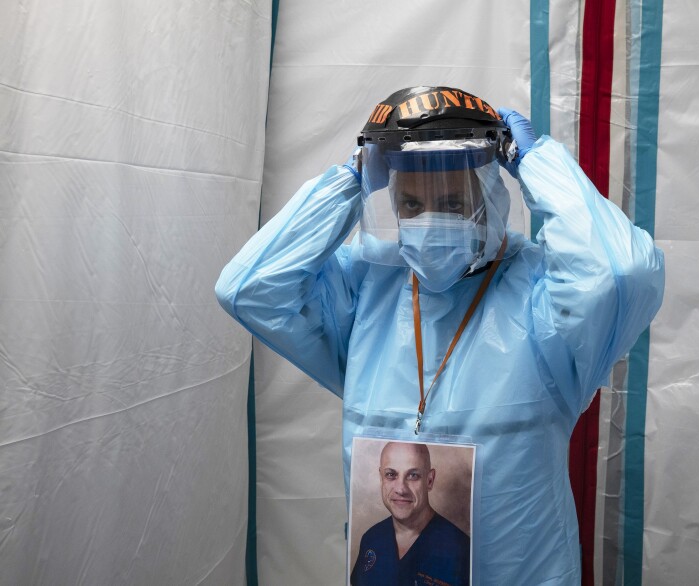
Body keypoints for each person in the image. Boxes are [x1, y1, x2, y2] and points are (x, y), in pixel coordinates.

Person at [215, 86, 665, 584]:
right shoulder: (368, 289)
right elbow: (248, 288)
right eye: (410, 203)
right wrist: (350, 180)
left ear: (490, 196)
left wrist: (537, 165)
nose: (429, 220)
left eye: (452, 202)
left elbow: (621, 274)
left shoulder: (543, 301)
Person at [350, 442, 470, 585]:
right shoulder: (371, 538)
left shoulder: (461, 550)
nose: (401, 489)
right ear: (381, 478)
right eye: (391, 475)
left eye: (413, 475)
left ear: (429, 480)